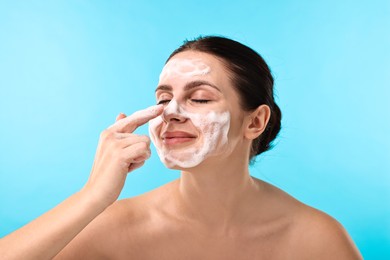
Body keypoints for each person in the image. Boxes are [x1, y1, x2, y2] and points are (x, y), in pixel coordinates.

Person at [0, 36, 362, 259]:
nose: (170, 112)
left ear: (254, 122)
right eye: (163, 98)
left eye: (200, 98)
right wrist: (93, 196)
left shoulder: (313, 238)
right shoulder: (116, 226)